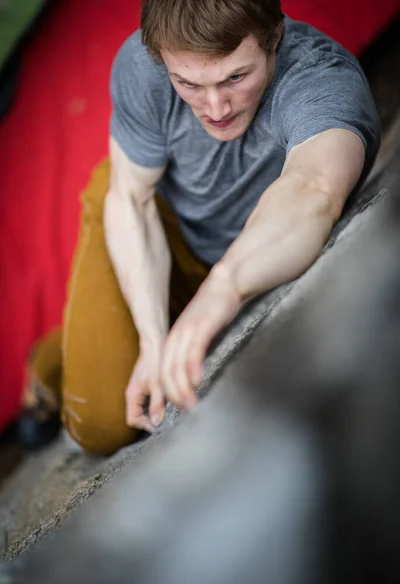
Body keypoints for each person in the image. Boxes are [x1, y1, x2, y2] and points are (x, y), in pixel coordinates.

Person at [20, 0, 381, 454]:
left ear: (274, 38)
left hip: (237, 252)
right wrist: (152, 343)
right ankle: (58, 357)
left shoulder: (322, 79)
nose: (215, 107)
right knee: (103, 425)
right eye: (187, 83)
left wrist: (224, 286)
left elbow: (313, 188)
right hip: (155, 222)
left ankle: (72, 342)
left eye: (235, 77)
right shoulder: (141, 62)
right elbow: (130, 198)